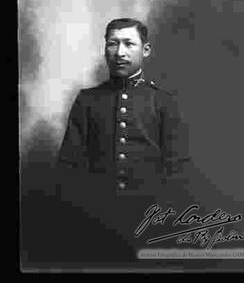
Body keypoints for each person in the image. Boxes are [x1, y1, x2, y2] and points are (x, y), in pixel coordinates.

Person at [57, 18, 190, 264]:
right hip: (95, 223)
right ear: (104, 49)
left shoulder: (163, 101)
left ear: (145, 50)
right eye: (112, 44)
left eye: (129, 44)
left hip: (151, 223)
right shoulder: (87, 100)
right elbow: (69, 166)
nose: (120, 52)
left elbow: (178, 169)